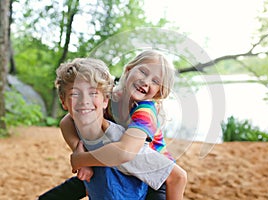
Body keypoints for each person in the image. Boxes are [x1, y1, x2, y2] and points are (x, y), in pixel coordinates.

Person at [39, 51, 187, 200]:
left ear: (158, 92)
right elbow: (67, 121)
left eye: (155, 81)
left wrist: (80, 159)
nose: (146, 81)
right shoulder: (110, 97)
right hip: (111, 160)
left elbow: (125, 152)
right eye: (143, 71)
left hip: (150, 173)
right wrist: (79, 150)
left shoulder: (145, 112)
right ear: (128, 70)